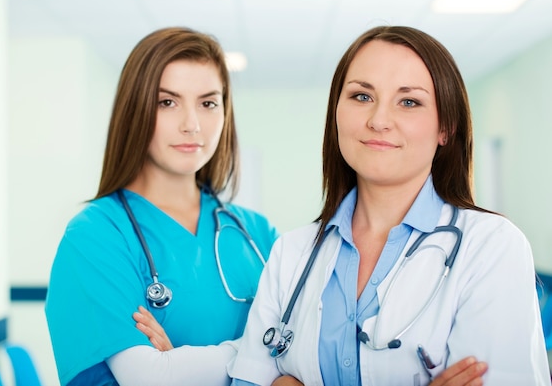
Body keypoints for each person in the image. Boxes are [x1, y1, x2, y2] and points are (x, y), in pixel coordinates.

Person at [228, 26, 552, 386]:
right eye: (362, 96)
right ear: (336, 112)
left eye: (409, 101)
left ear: (446, 127)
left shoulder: (492, 246)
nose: (378, 120)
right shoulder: (292, 252)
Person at [45, 27, 278, 386]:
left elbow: (307, 360)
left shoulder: (258, 234)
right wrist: (258, 355)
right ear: (134, 110)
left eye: (208, 102)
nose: (192, 124)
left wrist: (182, 367)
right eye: (167, 102)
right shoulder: (95, 237)